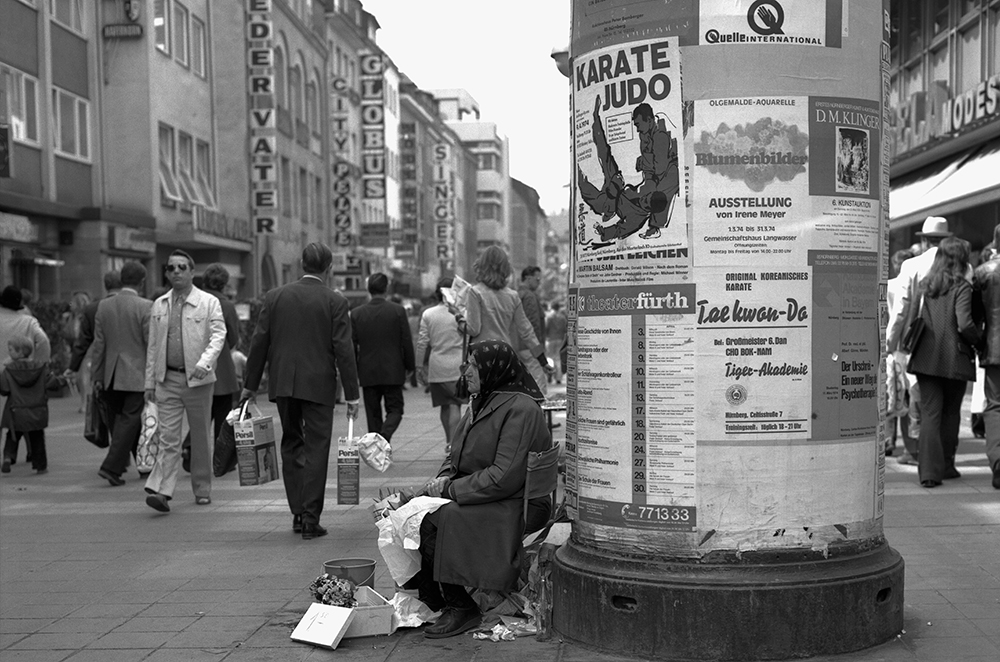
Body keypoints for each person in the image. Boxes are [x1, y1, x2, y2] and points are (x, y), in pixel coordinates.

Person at [411, 340, 553, 639]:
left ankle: (460, 606)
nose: (467, 371)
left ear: (494, 369)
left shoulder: (521, 408)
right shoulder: (481, 401)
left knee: (434, 521)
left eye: (474, 365)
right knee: (410, 511)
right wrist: (441, 481)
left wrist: (450, 490)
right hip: (486, 492)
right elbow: (455, 455)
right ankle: (437, 599)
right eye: (468, 363)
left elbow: (504, 477)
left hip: (517, 501)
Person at [242, 243, 360, 540]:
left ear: (301, 264)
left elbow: (259, 344)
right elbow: (343, 349)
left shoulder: (275, 297)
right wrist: (352, 394)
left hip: (283, 382)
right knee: (317, 447)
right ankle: (310, 517)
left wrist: (249, 385)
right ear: (329, 267)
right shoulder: (334, 301)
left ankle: (297, 511)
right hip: (319, 384)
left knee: (291, 442)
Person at [143, 250, 226, 512]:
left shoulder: (209, 302)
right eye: (171, 268)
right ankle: (162, 491)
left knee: (200, 437)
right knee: (168, 438)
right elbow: (153, 346)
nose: (176, 272)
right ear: (166, 273)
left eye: (181, 267)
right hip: (167, 379)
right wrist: (150, 382)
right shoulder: (159, 304)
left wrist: (204, 363)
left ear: (192, 271)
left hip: (198, 382)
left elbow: (218, 335)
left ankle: (202, 488)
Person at [896, 238, 982, 488]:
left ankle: (928, 473)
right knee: (950, 413)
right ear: (962, 259)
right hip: (955, 357)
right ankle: (945, 465)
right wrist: (977, 340)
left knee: (930, 413)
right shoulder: (962, 287)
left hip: (926, 357)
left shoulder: (928, 284)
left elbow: (915, 316)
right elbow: (965, 323)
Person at [887, 216, 954, 462]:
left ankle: (918, 451)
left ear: (925, 240)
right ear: (946, 239)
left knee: (916, 395)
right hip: (950, 342)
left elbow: (902, 308)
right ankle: (944, 457)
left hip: (914, 341)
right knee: (946, 404)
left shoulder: (911, 265)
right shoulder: (959, 265)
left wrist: (890, 343)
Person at [91, 262, 151, 486]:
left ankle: (144, 466)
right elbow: (150, 344)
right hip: (137, 373)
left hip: (111, 374)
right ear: (142, 282)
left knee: (125, 421)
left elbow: (99, 345)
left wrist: (97, 377)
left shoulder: (103, 307)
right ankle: (111, 467)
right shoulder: (146, 306)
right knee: (131, 420)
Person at [181, 264, 240, 472]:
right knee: (223, 413)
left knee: (202, 414)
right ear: (224, 284)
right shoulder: (226, 305)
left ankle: (189, 446)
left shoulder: (194, 301)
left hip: (195, 364)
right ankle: (221, 458)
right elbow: (233, 337)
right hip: (221, 366)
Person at [463, 246, 551, 386]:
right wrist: (542, 360)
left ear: (482, 266)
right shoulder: (512, 296)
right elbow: (526, 331)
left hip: (482, 356)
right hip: (505, 356)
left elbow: (473, 329)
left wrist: (460, 321)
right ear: (505, 268)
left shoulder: (475, 292)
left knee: (481, 401)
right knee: (503, 398)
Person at [350, 273, 415, 443]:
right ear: (386, 289)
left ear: (368, 289)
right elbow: (406, 341)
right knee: (395, 410)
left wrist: (355, 369)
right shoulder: (397, 311)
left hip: (367, 371)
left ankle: (376, 448)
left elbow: (352, 345)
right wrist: (410, 366)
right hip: (393, 369)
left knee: (373, 414)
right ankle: (384, 437)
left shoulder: (357, 314)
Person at [67, 271, 122, 449]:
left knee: (111, 410)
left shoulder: (92, 309)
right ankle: (122, 453)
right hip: (131, 369)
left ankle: (117, 451)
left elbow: (82, 341)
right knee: (130, 413)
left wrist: (72, 366)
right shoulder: (138, 304)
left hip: (103, 368)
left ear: (105, 285)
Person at [0, 286, 50, 471]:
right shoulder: (28, 321)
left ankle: (7, 455)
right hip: (27, 379)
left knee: (10, 420)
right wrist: (40, 365)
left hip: (5, 376)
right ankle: (35, 457)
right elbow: (43, 340)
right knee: (30, 420)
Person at [416, 277, 468, 454]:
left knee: (445, 405)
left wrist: (418, 366)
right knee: (455, 405)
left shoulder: (428, 314)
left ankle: (449, 440)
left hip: (436, 366)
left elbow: (422, 342)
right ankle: (454, 443)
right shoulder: (461, 314)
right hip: (457, 366)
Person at [0, 336, 63, 475]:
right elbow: (51, 383)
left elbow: (4, 389)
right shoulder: (40, 367)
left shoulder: (9, 370)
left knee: (13, 435)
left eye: (10, 350)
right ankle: (40, 465)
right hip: (37, 409)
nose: (9, 352)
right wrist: (62, 380)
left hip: (16, 410)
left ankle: (8, 457)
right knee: (37, 436)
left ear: (19, 352)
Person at [974, 223, 1000, 489]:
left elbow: (973, 316)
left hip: (994, 348)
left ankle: (998, 461)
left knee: (995, 406)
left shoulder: (983, 272)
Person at [885, 249, 915, 461]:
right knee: (906, 395)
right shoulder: (916, 285)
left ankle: (888, 439)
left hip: (890, 345)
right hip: (910, 346)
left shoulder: (889, 285)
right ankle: (910, 445)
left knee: (889, 391)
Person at [517, 266, 548, 397]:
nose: (539, 282)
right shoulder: (529, 297)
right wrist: (539, 351)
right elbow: (532, 324)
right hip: (530, 348)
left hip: (520, 346)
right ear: (528, 278)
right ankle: (538, 414)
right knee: (538, 383)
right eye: (537, 279)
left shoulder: (517, 294)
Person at [545, 302, 568, 384]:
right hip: (560, 339)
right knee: (558, 358)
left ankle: (550, 374)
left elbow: (546, 328)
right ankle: (558, 378)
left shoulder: (549, 317)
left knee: (550, 358)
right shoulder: (562, 318)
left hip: (551, 339)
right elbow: (565, 329)